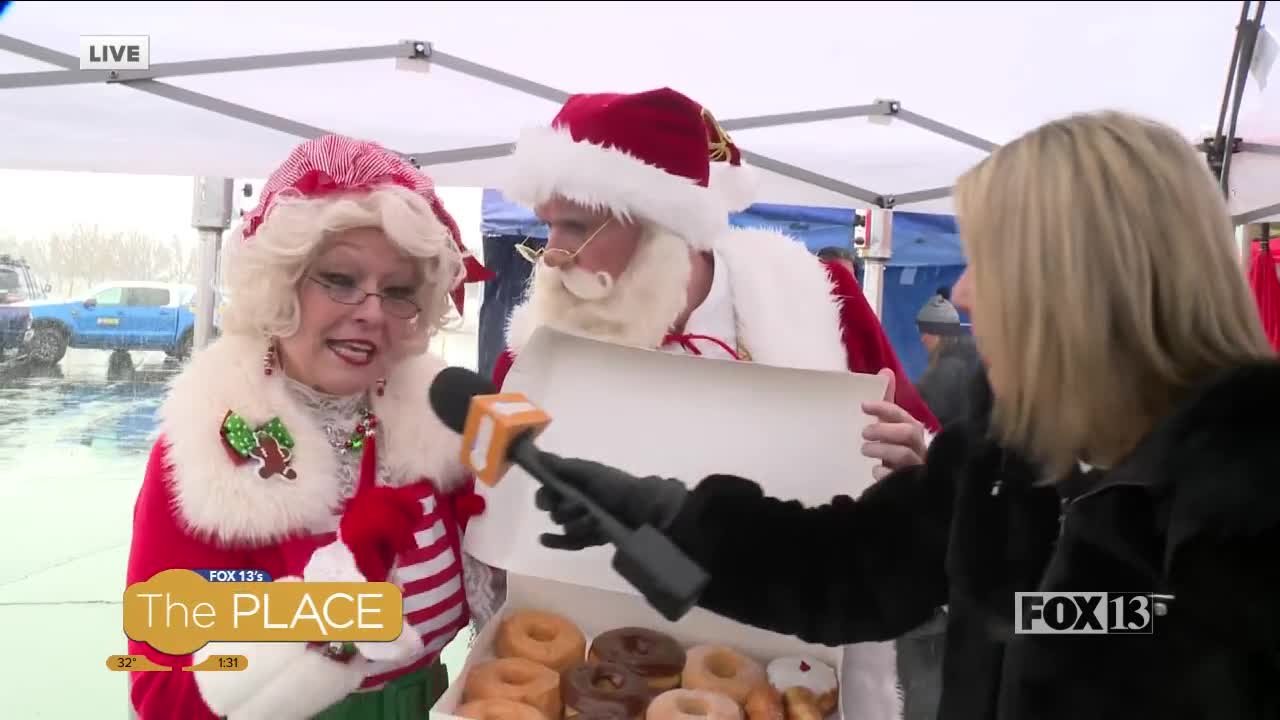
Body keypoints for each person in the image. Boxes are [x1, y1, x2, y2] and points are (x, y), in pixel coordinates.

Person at [529, 111, 1280, 719]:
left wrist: (1039, 610)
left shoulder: (1245, 492)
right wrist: (659, 517)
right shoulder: (1004, 452)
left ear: (1084, 280)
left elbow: (1143, 630)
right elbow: (845, 571)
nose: (961, 294)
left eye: (989, 259)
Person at [470, 87, 938, 720]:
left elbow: (923, 466)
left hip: (796, 647)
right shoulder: (533, 353)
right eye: (546, 225)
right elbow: (495, 509)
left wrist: (917, 463)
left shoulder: (819, 303)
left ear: (667, 227)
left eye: (576, 226)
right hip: (597, 662)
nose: (552, 254)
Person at [124, 135, 493, 720]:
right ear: (281, 284)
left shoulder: (436, 429)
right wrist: (327, 606)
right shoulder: (206, 454)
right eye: (340, 280)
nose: (371, 309)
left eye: (397, 291)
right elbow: (162, 694)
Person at [914, 287, 983, 428]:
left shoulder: (947, 370)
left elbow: (934, 420)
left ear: (940, 333)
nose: (923, 339)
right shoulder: (972, 359)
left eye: (926, 332)